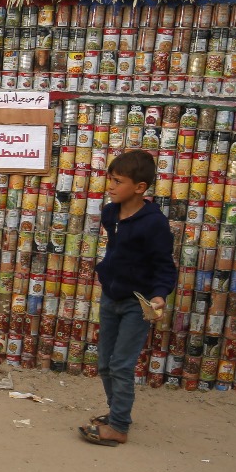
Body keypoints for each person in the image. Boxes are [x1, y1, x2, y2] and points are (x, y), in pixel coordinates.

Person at [79, 149, 177, 446]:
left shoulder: (154, 223)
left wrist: (159, 296)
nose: (110, 187)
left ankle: (119, 426)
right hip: (111, 297)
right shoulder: (111, 214)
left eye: (117, 181)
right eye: (110, 180)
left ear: (139, 188)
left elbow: (165, 266)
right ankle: (116, 413)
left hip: (138, 302)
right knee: (105, 363)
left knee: (122, 364)